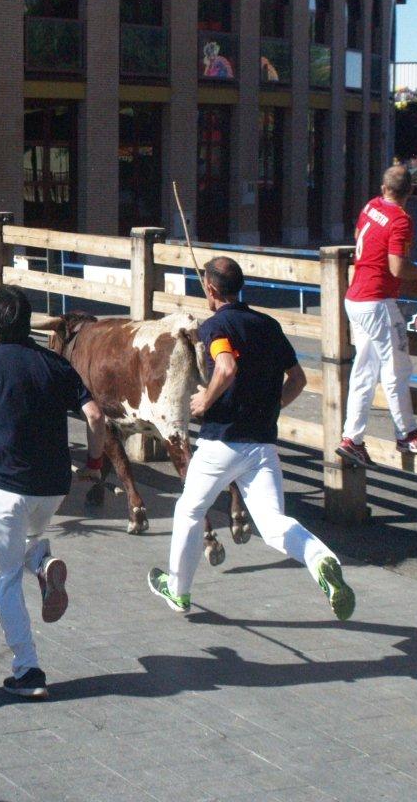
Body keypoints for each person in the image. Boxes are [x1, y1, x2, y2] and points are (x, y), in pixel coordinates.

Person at [147, 257, 356, 621]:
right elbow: (298, 380)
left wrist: (204, 400)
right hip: (262, 444)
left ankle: (178, 590)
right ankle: (321, 559)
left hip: (222, 442)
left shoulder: (216, 327)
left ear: (210, 289)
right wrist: (271, 406)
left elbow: (226, 366)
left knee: (189, 511)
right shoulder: (269, 325)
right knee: (273, 524)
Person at [0, 285, 105, 700]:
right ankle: (44, 565)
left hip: (4, 488)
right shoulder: (57, 365)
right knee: (25, 541)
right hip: (52, 489)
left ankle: (28, 669)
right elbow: (96, 415)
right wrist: (95, 464)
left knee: (1, 580)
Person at [335, 164, 417, 469]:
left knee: (365, 371)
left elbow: (359, 236)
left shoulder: (371, 206)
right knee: (397, 368)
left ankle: (352, 439)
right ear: (410, 191)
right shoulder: (401, 220)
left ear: (384, 189)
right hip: (378, 301)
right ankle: (407, 434)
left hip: (355, 298)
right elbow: (398, 268)